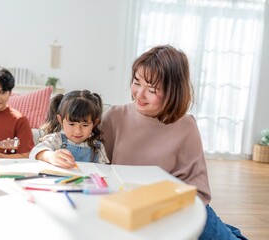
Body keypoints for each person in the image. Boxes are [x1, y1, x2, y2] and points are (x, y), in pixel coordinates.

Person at [101, 45, 247, 240]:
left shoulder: (186, 126)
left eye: (152, 89)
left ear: (172, 92)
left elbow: (200, 192)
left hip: (180, 210)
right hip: (128, 210)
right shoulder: (114, 117)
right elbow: (86, 159)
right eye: (137, 82)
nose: (139, 94)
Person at [29, 90, 109, 167]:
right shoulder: (56, 139)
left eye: (85, 125)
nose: (78, 131)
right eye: (71, 124)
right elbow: (34, 152)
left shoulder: (97, 147)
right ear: (60, 120)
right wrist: (50, 156)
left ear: (95, 123)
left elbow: (104, 170)